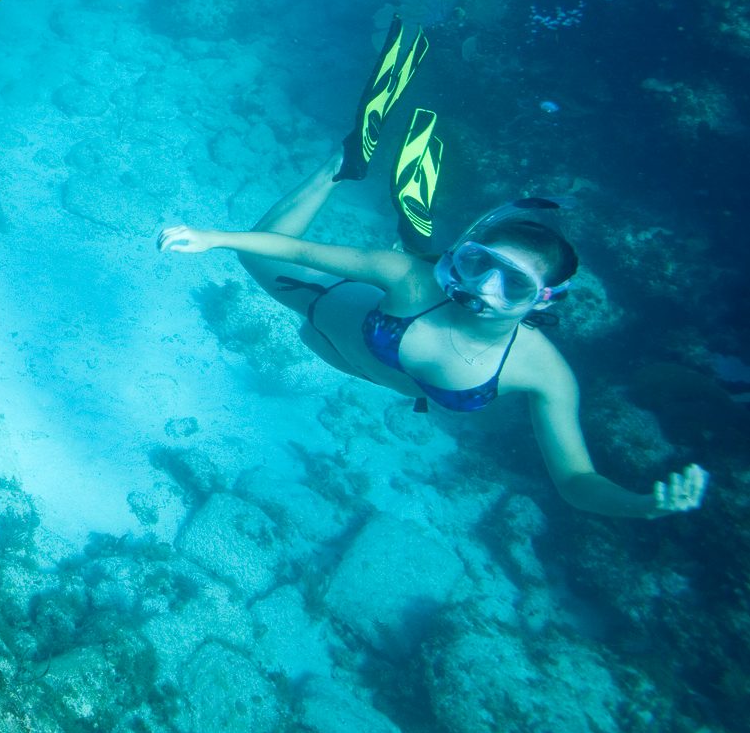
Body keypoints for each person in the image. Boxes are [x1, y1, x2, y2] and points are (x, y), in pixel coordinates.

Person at [159, 154, 707, 518]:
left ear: (542, 300)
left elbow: (575, 481)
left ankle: (342, 168)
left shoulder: (545, 374)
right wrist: (212, 238)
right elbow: (301, 251)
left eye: (513, 283)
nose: (484, 288)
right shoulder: (411, 278)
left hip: (349, 356)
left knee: (261, 255)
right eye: (477, 264)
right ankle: (340, 165)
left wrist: (642, 505)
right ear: (461, 257)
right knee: (256, 252)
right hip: (331, 308)